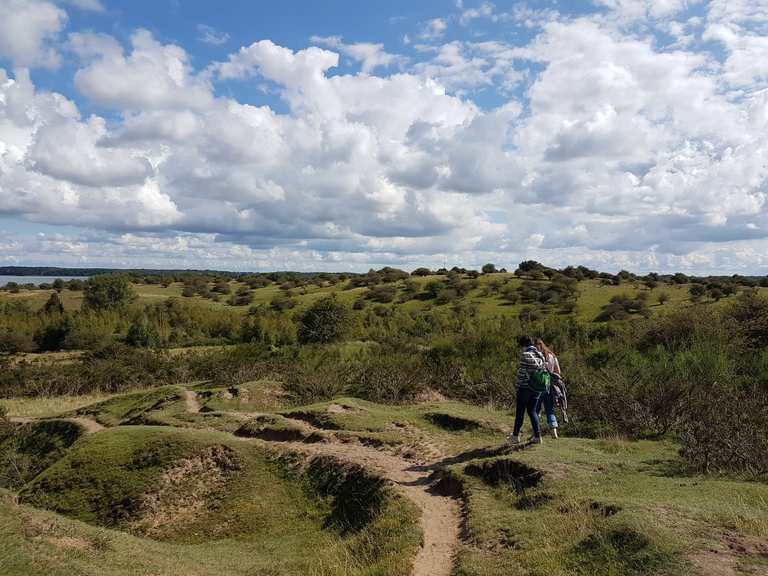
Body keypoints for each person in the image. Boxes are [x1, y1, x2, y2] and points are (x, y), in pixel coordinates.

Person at [508, 335, 545, 445]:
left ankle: (515, 436)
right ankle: (538, 436)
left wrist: (517, 385)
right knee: (532, 411)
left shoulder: (526, 355)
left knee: (520, 412)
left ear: (524, 345)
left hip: (525, 387)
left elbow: (522, 373)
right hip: (537, 388)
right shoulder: (540, 355)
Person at [535, 338, 561, 438]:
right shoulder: (552, 356)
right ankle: (554, 432)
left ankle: (536, 433)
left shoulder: (536, 357)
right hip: (549, 385)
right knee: (549, 409)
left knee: (536, 410)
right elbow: (558, 372)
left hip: (537, 386)